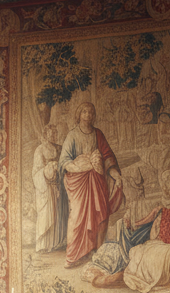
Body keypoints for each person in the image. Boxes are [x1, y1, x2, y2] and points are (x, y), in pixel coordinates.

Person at [58, 101, 124, 268]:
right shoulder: (72, 135)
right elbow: (64, 161)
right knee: (78, 217)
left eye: (90, 112)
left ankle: (98, 251)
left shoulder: (98, 134)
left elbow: (108, 156)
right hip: (79, 183)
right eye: (84, 112)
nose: (88, 115)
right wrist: (81, 164)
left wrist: (115, 174)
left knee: (100, 214)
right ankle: (75, 255)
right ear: (79, 114)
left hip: (97, 181)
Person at [31, 123, 67, 252]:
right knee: (48, 215)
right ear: (45, 135)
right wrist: (48, 171)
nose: (53, 136)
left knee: (60, 214)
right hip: (47, 188)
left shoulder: (61, 149)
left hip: (60, 187)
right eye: (51, 134)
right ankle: (45, 245)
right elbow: (36, 171)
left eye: (55, 133)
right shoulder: (40, 150)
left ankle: (58, 242)